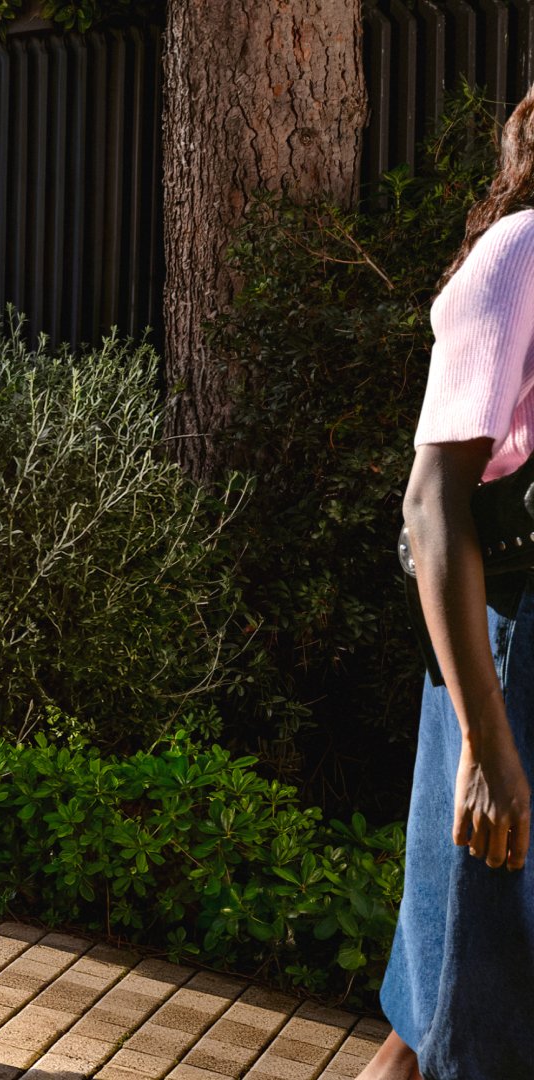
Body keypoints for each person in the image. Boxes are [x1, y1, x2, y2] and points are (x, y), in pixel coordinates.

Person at [371, 87, 534, 1080]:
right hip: (509, 654)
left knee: (439, 1013)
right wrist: (486, 744)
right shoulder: (520, 255)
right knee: (469, 1015)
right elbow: (432, 505)